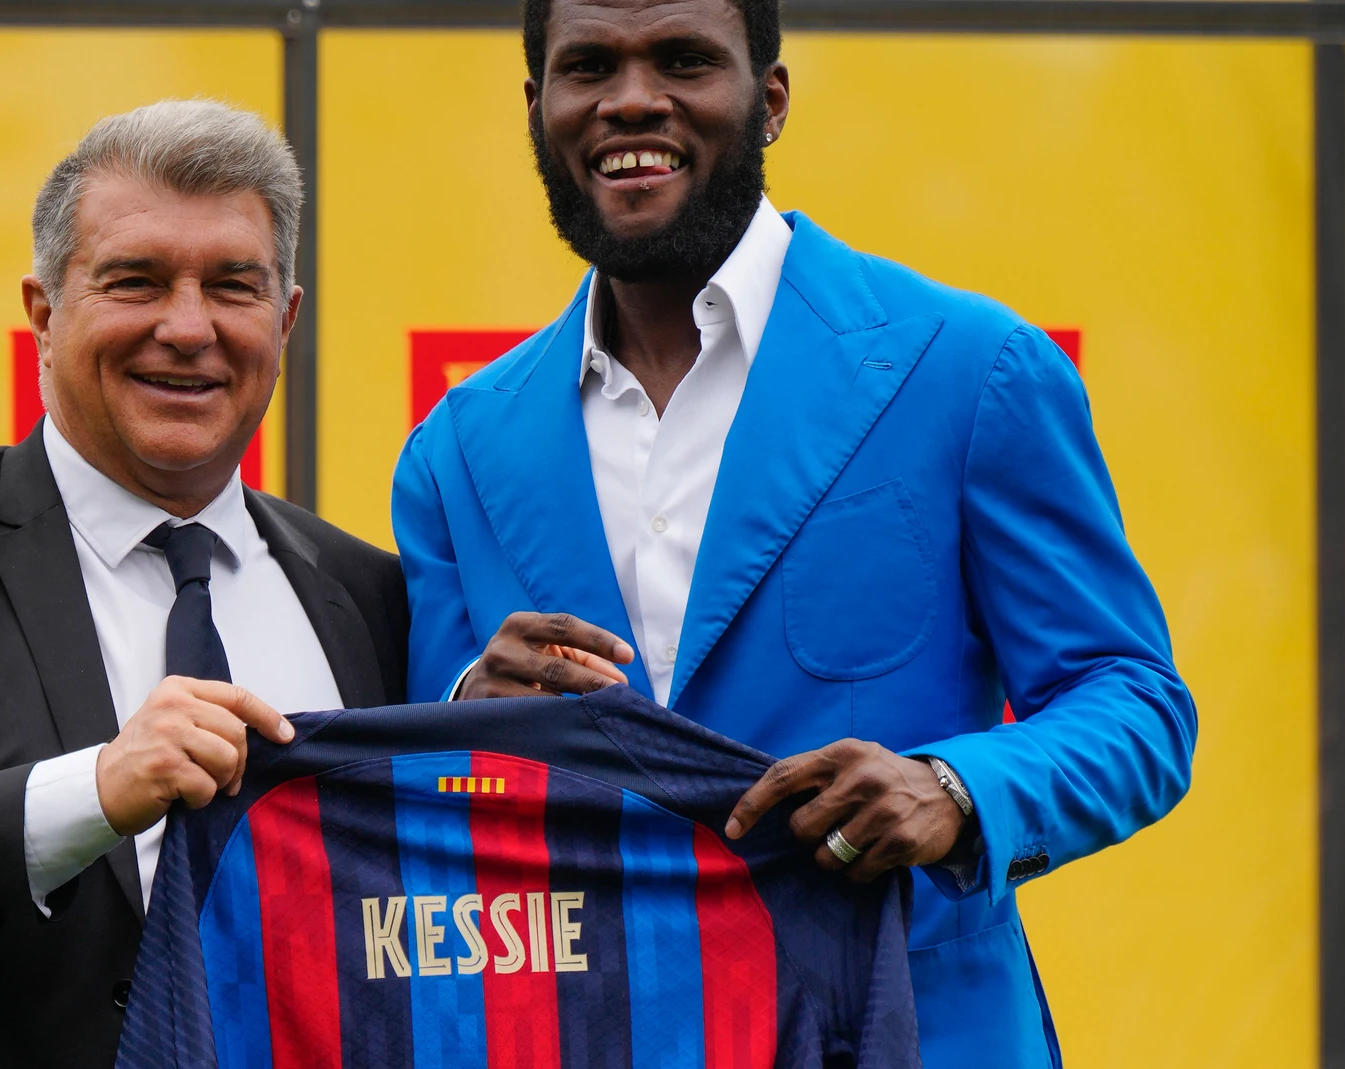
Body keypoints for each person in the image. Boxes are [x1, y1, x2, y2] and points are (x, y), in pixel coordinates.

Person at [390, 2, 1195, 1066]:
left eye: (681, 59)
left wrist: (954, 789)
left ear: (768, 100)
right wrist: (458, 716)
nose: (631, 98)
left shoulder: (971, 367)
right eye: (588, 67)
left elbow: (1135, 703)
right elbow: (423, 808)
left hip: (910, 1031)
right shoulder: (455, 451)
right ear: (539, 110)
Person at [0, 100, 408, 1069]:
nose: (188, 327)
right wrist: (94, 790)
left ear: (285, 317)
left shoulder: (369, 594)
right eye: (134, 281)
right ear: (44, 314)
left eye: (232, 286)